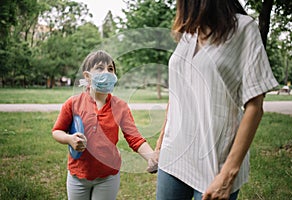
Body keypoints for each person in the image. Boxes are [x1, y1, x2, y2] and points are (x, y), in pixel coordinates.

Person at [150, 0, 279, 199]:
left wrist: (229, 173)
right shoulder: (188, 33)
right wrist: (160, 144)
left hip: (216, 163)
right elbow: (178, 92)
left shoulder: (244, 28)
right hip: (173, 154)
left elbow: (255, 106)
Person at [52, 50, 156, 200]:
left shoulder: (120, 106)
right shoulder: (73, 103)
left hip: (108, 176)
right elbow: (57, 131)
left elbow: (135, 138)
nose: (106, 72)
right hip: (78, 175)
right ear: (87, 76)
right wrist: (69, 139)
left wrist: (151, 157)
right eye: (100, 68)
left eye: (110, 69)